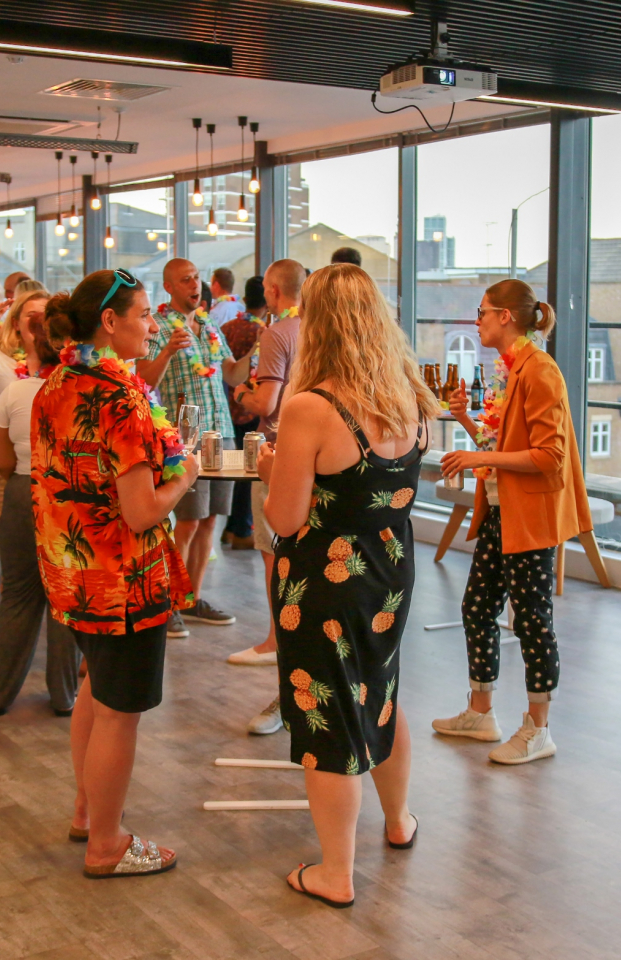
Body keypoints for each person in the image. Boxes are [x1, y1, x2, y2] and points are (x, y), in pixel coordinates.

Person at [258, 262, 434, 907]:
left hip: (324, 580)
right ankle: (398, 819)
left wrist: (271, 470)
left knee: (327, 713)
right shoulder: (411, 395)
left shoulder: (311, 407)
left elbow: (285, 518)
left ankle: (336, 872)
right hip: (389, 567)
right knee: (380, 690)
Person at [33, 268, 199, 878]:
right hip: (125, 580)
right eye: (144, 314)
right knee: (118, 712)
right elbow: (142, 511)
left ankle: (88, 811)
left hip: (73, 572)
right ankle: (106, 843)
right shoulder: (120, 397)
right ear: (109, 321)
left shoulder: (57, 382)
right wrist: (186, 475)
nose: (153, 326)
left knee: (97, 692)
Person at [434, 279, 591, 764]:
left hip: (530, 516)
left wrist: (479, 457)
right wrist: (465, 421)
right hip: (503, 511)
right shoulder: (511, 368)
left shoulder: (540, 371)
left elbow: (549, 456)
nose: (476, 320)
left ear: (505, 316)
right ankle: (481, 713)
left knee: (531, 621)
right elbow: (500, 444)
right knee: (477, 608)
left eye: (482, 311)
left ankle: (538, 729)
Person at [137, 258, 252, 636]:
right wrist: (167, 351)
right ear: (169, 287)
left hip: (222, 431)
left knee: (210, 520)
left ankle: (193, 598)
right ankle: (168, 603)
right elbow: (143, 380)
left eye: (197, 278)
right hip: (186, 436)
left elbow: (231, 373)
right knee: (187, 521)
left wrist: (258, 350)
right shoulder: (157, 325)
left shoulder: (208, 324)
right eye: (186, 280)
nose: (195, 285)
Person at [0, 299, 80, 715]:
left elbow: (2, 462)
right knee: (66, 600)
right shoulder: (90, 392)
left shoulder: (15, 392)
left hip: (24, 491)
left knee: (18, 595)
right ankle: (64, 696)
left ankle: (0, 695)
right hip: (72, 498)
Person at [225, 260, 306, 735]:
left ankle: (278, 646)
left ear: (273, 291)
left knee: (275, 557)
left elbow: (267, 402)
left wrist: (240, 394)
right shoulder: (317, 331)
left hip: (278, 451)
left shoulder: (277, 333)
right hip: (317, 462)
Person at [0, 290, 50, 546]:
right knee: (13, 545)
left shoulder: (65, 365)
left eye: (45, 315)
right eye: (31, 315)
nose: (38, 321)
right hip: (5, 466)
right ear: (16, 323)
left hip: (50, 470)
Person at [219, 275, 268, 551]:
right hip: (250, 407)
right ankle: (241, 528)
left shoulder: (227, 327)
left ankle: (229, 527)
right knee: (249, 472)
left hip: (227, 407)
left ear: (245, 299)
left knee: (234, 470)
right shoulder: (264, 332)